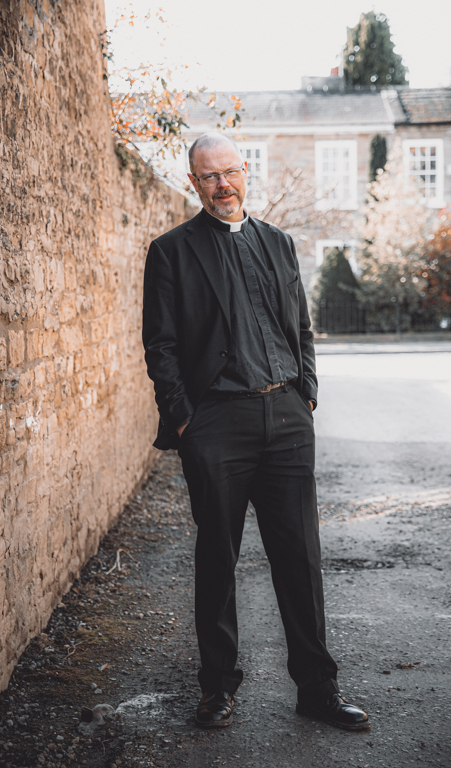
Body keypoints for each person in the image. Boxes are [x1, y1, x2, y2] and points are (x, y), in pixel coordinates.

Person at [142, 133, 369, 731]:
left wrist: (308, 390)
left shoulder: (279, 243)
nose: (224, 184)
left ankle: (318, 689)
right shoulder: (171, 252)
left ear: (246, 173)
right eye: (210, 176)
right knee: (218, 556)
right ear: (194, 183)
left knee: (300, 557)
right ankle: (217, 687)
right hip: (216, 423)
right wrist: (185, 418)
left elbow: (302, 324)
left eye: (231, 172)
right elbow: (160, 345)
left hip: (287, 417)